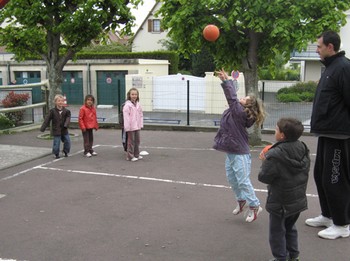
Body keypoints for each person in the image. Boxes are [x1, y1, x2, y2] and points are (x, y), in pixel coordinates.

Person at [305, 31, 350, 240]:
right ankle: (328, 215)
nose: (316, 50)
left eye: (319, 46)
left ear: (330, 47)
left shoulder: (344, 68)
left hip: (339, 135)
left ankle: (342, 224)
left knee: (335, 179)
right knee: (321, 175)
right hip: (327, 133)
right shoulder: (331, 68)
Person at [213, 69, 266, 222]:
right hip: (231, 150)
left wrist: (226, 81)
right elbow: (233, 100)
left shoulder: (240, 113)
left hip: (240, 152)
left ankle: (255, 206)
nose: (241, 98)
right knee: (232, 179)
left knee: (243, 180)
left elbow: (231, 97)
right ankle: (241, 200)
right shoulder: (236, 110)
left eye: (245, 98)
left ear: (248, 105)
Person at [258, 118, 310, 261]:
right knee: (290, 228)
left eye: (276, 129)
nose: (275, 131)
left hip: (280, 201)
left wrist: (264, 162)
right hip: (297, 199)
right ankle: (294, 255)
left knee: (277, 231)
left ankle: (281, 258)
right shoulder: (303, 148)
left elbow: (264, 177)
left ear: (282, 135)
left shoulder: (274, 155)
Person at [40, 94, 71, 159]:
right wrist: (43, 128)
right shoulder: (52, 111)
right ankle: (56, 153)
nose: (60, 102)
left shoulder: (66, 111)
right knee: (56, 143)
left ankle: (65, 151)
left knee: (67, 141)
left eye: (61, 101)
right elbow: (47, 119)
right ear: (55, 102)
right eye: (58, 101)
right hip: (56, 130)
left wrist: (66, 125)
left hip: (64, 129)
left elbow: (68, 118)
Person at [123, 88, 143, 162]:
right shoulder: (127, 105)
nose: (134, 96)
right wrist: (127, 127)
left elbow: (141, 115)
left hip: (137, 126)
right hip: (131, 127)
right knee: (131, 142)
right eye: (132, 94)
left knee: (137, 141)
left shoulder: (138, 104)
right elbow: (126, 117)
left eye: (135, 94)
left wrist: (140, 124)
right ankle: (130, 156)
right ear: (129, 95)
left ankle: (136, 154)